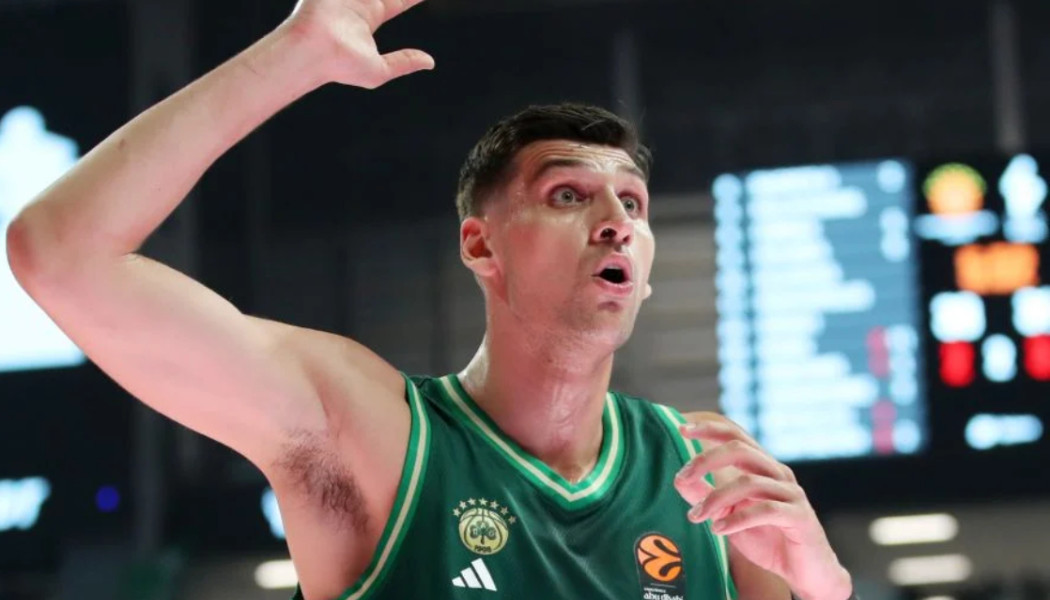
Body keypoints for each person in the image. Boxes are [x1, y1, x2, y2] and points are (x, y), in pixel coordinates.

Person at [5, 1, 855, 599]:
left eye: (632, 203)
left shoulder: (705, 469)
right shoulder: (371, 433)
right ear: (480, 246)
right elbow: (59, 255)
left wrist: (826, 588)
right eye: (568, 195)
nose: (615, 223)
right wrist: (293, 55)